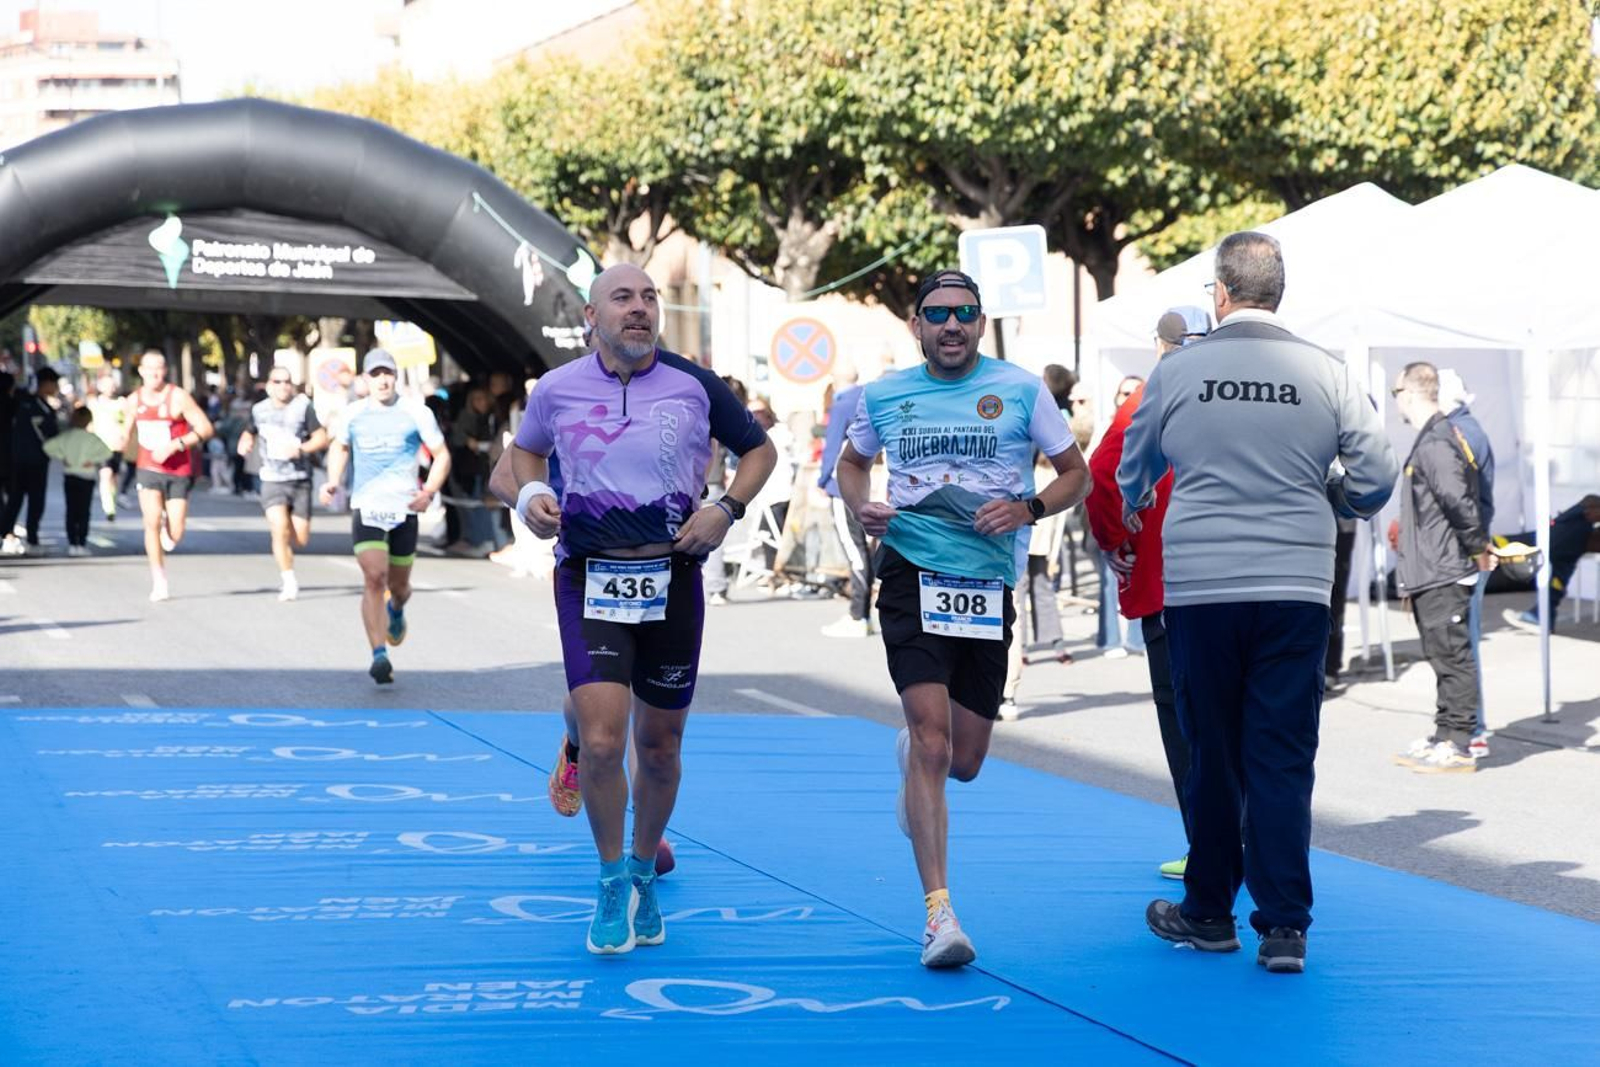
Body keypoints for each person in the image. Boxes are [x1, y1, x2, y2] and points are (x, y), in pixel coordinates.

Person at [1120, 232, 1396, 974]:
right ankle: (1284, 927)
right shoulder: (1326, 371)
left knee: (1213, 751)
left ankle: (1209, 910)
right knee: (1281, 753)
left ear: (1220, 291)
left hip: (1204, 583)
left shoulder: (1179, 370)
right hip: (1296, 583)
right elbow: (1377, 473)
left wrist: (1139, 499)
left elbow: (1132, 464)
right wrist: (1340, 492)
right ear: (1280, 291)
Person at [500, 263, 775, 956]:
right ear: (591, 318)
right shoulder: (557, 388)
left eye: (649, 297)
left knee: (659, 744)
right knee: (602, 740)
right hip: (588, 576)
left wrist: (725, 508)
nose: (640, 308)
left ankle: (646, 864)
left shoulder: (694, 383)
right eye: (622, 298)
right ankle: (609, 877)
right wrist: (529, 500)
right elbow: (517, 463)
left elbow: (760, 451)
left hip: (674, 576)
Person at [836, 268, 1089, 968]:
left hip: (985, 585)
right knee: (933, 738)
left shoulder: (1021, 390)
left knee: (966, 760)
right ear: (915, 324)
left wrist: (1027, 508)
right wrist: (863, 505)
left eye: (964, 313)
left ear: (980, 323)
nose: (951, 325)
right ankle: (939, 914)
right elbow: (851, 466)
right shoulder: (884, 394)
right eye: (937, 313)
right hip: (911, 574)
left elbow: (1077, 473)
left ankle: (916, 762)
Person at [1087, 305, 1212, 881]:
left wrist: (1117, 539)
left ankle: (1207, 847)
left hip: (1168, 585)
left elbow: (1102, 474)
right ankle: (1246, 842)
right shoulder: (1229, 395)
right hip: (1240, 583)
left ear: (1158, 347)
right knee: (1239, 720)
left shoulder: (1145, 404)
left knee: (1183, 719)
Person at [319, 349, 451, 684]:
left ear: (395, 377)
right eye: (375, 374)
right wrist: (333, 481)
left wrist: (428, 491)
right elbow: (340, 447)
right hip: (368, 505)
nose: (382, 380)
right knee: (374, 578)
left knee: (400, 586)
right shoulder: (353, 414)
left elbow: (441, 455)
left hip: (404, 508)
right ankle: (379, 654)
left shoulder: (416, 413)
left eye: (387, 374)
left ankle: (396, 609)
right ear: (365, 379)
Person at [1390, 362, 1494, 774]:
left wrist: (1477, 548)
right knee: (1441, 655)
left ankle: (1461, 741)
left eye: (1397, 390)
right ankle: (1444, 733)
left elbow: (1460, 502)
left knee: (1453, 656)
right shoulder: (1431, 437)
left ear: (1412, 392)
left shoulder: (1438, 440)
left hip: (1445, 566)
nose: (1395, 398)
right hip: (1431, 567)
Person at [125, 351, 214, 601]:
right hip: (148, 467)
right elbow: (126, 433)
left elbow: (206, 428)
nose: (154, 373)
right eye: (149, 368)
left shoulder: (178, 397)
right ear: (141, 371)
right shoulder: (134, 399)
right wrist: (119, 442)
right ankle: (159, 579)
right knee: (150, 521)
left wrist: (177, 445)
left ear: (166, 371)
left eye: (160, 368)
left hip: (178, 469)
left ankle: (169, 525)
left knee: (176, 531)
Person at [1439, 369, 1495, 756]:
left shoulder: (1461, 434)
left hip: (1464, 550)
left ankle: (1469, 728)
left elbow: (1462, 500)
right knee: (1459, 640)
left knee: (1460, 642)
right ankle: (1464, 727)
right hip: (1466, 547)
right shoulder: (1464, 429)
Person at [238, 368, 329, 601]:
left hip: (299, 479)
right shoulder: (260, 410)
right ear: (270, 384)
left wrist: (300, 449)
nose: (283, 386)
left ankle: (287, 553)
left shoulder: (302, 408)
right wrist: (245, 443)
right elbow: (249, 432)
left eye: (287, 381)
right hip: (271, 478)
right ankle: (288, 579)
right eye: (277, 381)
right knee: (279, 528)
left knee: (300, 538)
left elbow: (321, 438)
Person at [818, 378, 874, 636]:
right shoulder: (871, 396)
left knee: (855, 550)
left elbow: (832, 448)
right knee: (863, 548)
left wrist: (823, 479)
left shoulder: (842, 405)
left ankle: (858, 615)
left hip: (842, 486)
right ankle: (863, 614)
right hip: (869, 481)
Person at [1501, 494, 1600, 631]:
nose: (1587, 511)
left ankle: (1541, 618)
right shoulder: (1580, 523)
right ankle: (1541, 618)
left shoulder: (1580, 523)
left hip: (1565, 543)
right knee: (1556, 577)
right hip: (1565, 542)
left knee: (1556, 577)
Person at [0, 366, 60, 556]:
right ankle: (28, 538)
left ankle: (8, 535)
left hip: (19, 459)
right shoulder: (30, 404)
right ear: (46, 384)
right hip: (32, 460)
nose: (56, 387)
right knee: (31, 500)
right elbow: (51, 434)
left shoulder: (23, 402)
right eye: (54, 383)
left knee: (17, 499)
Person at [43, 406, 112, 555]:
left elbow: (48, 446)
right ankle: (81, 542)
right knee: (84, 511)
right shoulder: (92, 438)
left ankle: (72, 542)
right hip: (86, 477)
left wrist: (62, 457)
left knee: (71, 510)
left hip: (70, 475)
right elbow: (107, 452)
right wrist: (93, 460)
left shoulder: (67, 437)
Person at [86, 373, 127, 523]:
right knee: (106, 474)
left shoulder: (122, 403)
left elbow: (127, 423)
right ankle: (108, 508)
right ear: (101, 387)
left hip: (117, 446)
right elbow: (89, 424)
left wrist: (125, 439)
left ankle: (113, 503)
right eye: (107, 385)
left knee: (114, 477)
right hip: (101, 446)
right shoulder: (94, 404)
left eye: (112, 385)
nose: (110, 388)